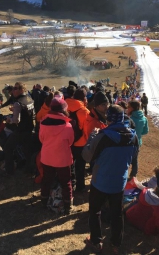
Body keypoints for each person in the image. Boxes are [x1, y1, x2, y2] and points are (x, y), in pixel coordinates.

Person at [82, 105, 138, 254]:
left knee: (95, 211)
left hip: (100, 181)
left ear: (109, 118)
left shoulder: (102, 136)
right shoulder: (133, 136)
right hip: (119, 182)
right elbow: (133, 157)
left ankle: (96, 241)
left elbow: (87, 157)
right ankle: (115, 244)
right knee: (117, 214)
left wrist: (91, 138)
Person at [39, 98, 74, 214]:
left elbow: (41, 139)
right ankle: (68, 206)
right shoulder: (67, 125)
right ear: (64, 110)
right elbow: (70, 141)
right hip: (62, 159)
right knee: (66, 182)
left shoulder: (43, 122)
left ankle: (43, 201)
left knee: (46, 180)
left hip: (47, 157)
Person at [2, 82, 34, 176]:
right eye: (13, 88)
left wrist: (9, 119)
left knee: (8, 147)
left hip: (20, 130)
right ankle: (29, 170)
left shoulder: (17, 102)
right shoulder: (29, 98)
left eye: (16, 88)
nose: (13, 90)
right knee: (27, 150)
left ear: (21, 90)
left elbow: (16, 120)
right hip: (29, 127)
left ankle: (9, 171)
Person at [65, 86, 89, 192]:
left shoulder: (64, 106)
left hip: (67, 141)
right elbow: (87, 130)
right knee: (80, 165)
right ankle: (80, 186)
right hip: (80, 143)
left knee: (69, 163)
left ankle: (69, 183)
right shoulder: (85, 111)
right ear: (84, 98)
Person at [128, 101, 148, 178]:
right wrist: (138, 134)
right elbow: (146, 131)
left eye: (129, 106)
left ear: (132, 108)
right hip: (138, 142)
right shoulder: (144, 118)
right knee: (135, 160)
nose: (127, 108)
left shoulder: (130, 119)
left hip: (128, 142)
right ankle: (133, 175)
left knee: (126, 159)